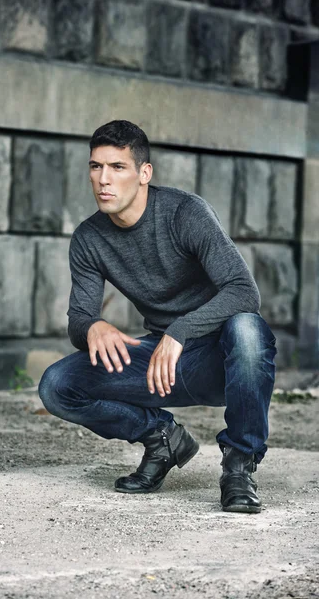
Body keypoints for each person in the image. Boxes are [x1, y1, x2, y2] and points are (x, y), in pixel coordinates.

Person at [39, 120, 277, 514]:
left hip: (223, 359)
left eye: (118, 167)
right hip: (160, 366)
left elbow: (243, 290)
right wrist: (92, 326)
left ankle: (239, 466)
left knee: (248, 329)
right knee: (57, 385)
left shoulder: (185, 213)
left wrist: (180, 331)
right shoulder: (89, 238)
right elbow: (79, 318)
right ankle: (162, 437)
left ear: (144, 173)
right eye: (96, 167)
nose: (103, 180)